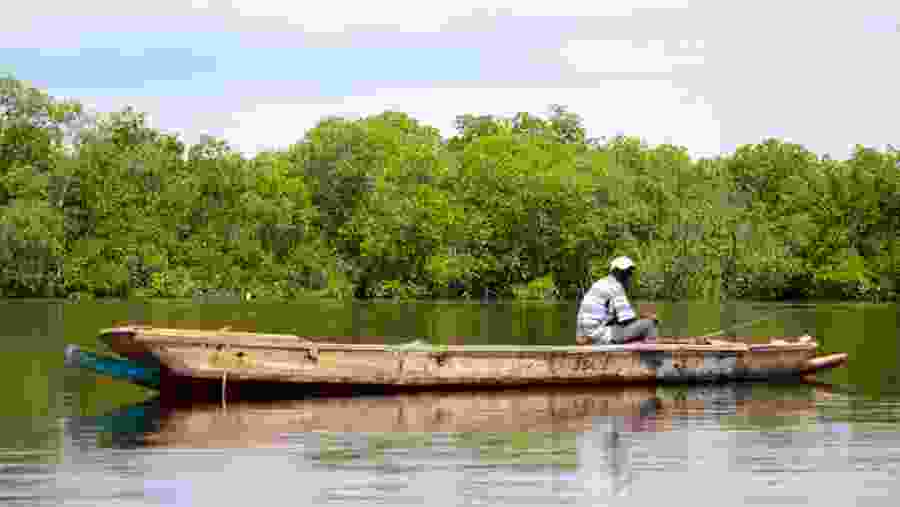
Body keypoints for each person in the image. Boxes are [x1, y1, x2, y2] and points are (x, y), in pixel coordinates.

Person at [575, 256, 659, 345]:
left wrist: (580, 335)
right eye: (625, 272)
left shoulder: (601, 283)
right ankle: (652, 356)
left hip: (586, 335)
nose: (627, 275)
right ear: (615, 271)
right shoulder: (616, 286)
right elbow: (628, 320)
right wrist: (649, 318)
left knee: (634, 327)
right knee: (648, 324)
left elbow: (617, 318)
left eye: (629, 272)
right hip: (597, 335)